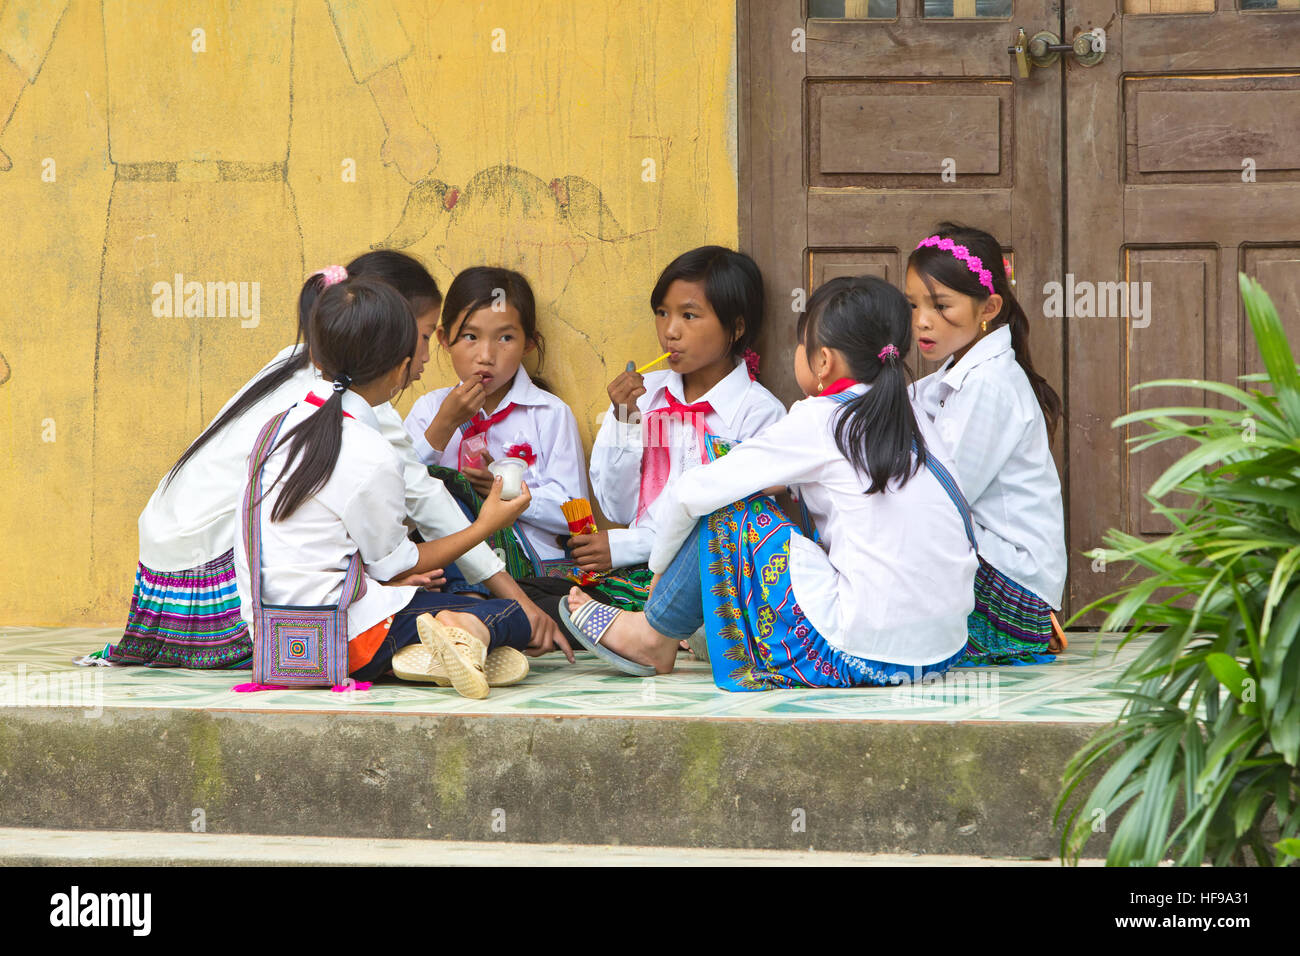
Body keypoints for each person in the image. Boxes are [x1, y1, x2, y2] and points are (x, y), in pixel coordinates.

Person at [106, 250, 568, 670]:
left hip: (169, 584)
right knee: (480, 591)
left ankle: (424, 640)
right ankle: (438, 635)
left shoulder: (300, 367)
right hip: (217, 585)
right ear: (391, 336)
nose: (429, 355)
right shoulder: (363, 417)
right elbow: (428, 505)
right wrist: (516, 599)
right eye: (426, 337)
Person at [558, 276, 979, 691]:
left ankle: (652, 636)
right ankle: (668, 631)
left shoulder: (821, 417)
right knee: (748, 491)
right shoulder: (913, 414)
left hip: (862, 654)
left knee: (727, 504)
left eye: (802, 344)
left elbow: (692, 493)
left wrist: (657, 575)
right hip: (942, 652)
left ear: (823, 362)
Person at [235, 276, 533, 699]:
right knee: (510, 614)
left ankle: (425, 656)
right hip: (346, 642)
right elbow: (393, 566)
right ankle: (459, 637)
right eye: (422, 345)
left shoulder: (275, 429)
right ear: (399, 367)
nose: (425, 358)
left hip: (273, 644)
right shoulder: (368, 450)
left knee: (426, 595)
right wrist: (485, 525)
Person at [540, 247, 785, 621]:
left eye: (689, 315)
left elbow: (723, 528)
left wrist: (625, 547)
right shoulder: (645, 397)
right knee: (535, 597)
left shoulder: (758, 415)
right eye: (662, 314)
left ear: (736, 328)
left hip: (707, 581)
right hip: (629, 570)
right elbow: (617, 509)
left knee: (562, 611)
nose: (670, 331)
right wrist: (626, 421)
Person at [906, 223, 1067, 665]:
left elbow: (944, 498)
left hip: (1015, 598)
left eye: (941, 305)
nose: (922, 320)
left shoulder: (991, 385)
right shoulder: (954, 376)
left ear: (989, 307)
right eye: (914, 305)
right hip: (990, 573)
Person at [402, 267, 587, 565]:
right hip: (451, 570)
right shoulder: (429, 409)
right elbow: (397, 498)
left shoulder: (550, 414)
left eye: (505, 338)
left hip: (534, 570)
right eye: (470, 336)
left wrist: (508, 493)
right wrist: (443, 425)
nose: (486, 355)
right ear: (444, 339)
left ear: (528, 343)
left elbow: (575, 514)